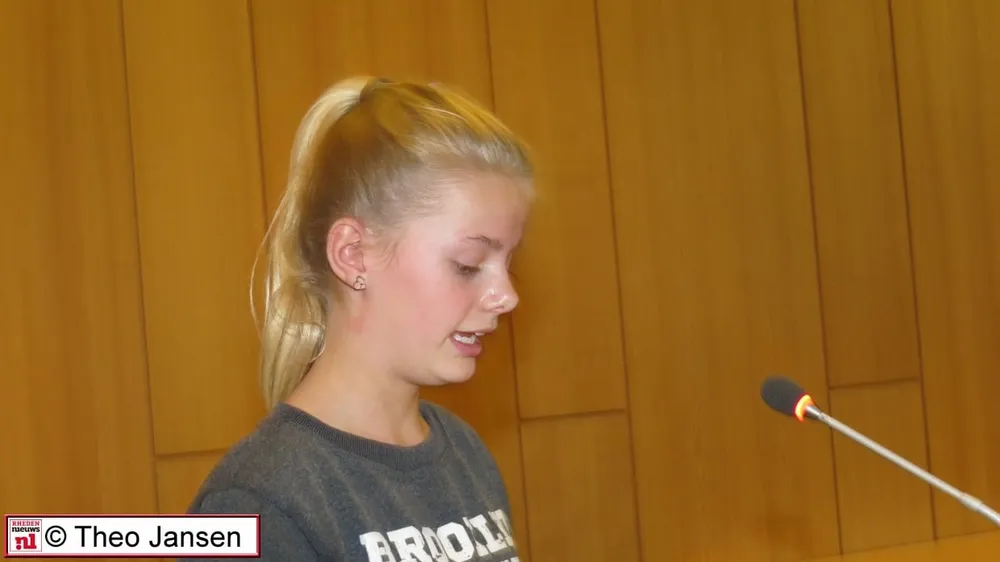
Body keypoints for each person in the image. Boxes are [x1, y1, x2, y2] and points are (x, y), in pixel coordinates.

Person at [182, 75, 533, 562]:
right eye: (468, 265)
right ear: (353, 255)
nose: (507, 296)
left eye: (508, 263)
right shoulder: (258, 504)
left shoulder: (463, 450)